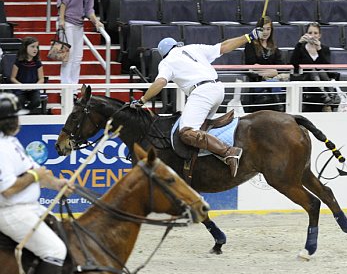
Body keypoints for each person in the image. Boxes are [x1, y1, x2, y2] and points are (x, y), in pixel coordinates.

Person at [133, 28, 262, 177]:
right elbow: (225, 46)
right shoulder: (193, 48)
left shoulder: (166, 62)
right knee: (200, 128)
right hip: (218, 89)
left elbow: (161, 82)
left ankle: (229, 152)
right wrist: (249, 36)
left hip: (202, 92)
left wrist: (142, 100)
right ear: (177, 45)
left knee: (187, 132)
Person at [0, 92, 78, 274]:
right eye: (16, 118)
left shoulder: (12, 142)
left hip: (30, 207)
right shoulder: (1, 149)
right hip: (10, 211)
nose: (19, 122)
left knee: (65, 234)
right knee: (55, 250)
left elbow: (38, 172)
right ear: (10, 121)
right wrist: (34, 177)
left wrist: (57, 184)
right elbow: (9, 190)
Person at [56, 0, 103, 95]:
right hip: (67, 22)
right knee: (68, 56)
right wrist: (61, 19)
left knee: (78, 57)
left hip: (78, 24)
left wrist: (96, 22)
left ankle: (74, 88)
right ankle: (65, 89)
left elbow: (89, 10)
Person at [289, 23, 336, 112]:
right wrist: (299, 44)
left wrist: (319, 50)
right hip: (305, 79)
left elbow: (326, 67)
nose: (313, 36)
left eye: (315, 33)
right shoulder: (301, 48)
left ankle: (327, 96)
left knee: (319, 70)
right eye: (310, 33)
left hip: (322, 79)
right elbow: (293, 63)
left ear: (320, 35)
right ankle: (328, 96)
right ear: (306, 34)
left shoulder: (324, 49)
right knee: (312, 70)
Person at [243, 16, 287, 112]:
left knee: (276, 83)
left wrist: (268, 71)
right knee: (275, 83)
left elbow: (281, 67)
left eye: (268, 29)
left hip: (274, 81)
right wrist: (272, 71)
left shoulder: (274, 47)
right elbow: (252, 66)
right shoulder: (250, 45)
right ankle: (280, 110)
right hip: (257, 82)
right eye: (263, 29)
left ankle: (278, 110)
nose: (265, 32)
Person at [9, 36, 44, 113]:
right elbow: (12, 78)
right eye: (32, 47)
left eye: (37, 47)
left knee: (37, 101)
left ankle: (25, 112)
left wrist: (35, 86)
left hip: (33, 89)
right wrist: (21, 86)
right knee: (19, 101)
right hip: (20, 89)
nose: (35, 49)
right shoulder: (18, 62)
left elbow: (41, 78)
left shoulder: (37, 62)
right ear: (25, 48)